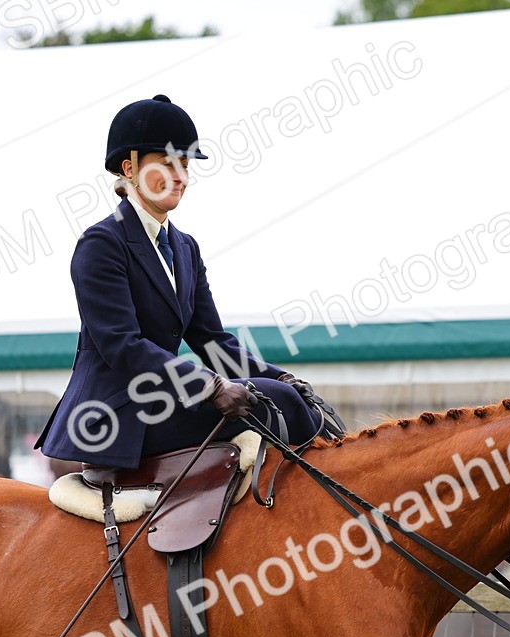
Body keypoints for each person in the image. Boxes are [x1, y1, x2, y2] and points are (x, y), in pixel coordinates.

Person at [36, 95, 321, 469]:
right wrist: (211, 385)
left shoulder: (186, 248)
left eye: (185, 164)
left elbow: (213, 341)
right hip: (115, 412)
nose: (181, 177)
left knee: (289, 397)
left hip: (162, 400)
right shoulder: (102, 243)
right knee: (274, 403)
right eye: (167, 163)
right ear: (130, 167)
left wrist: (279, 375)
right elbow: (122, 345)